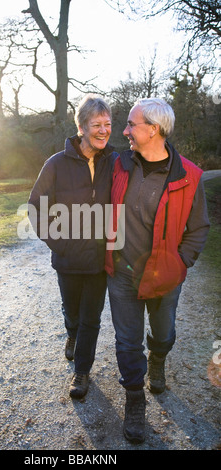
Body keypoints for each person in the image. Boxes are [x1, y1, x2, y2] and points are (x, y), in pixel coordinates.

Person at [105, 98, 210, 444]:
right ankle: (135, 399)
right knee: (126, 341)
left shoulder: (190, 176)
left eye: (131, 125)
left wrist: (180, 263)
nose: (125, 131)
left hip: (164, 277)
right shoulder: (119, 165)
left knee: (163, 335)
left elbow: (199, 228)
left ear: (153, 129)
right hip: (122, 273)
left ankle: (158, 360)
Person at [28, 94, 118, 399]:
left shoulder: (116, 162)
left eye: (108, 124)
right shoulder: (56, 163)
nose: (104, 130)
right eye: (97, 124)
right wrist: (60, 243)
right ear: (81, 127)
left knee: (91, 317)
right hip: (67, 259)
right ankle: (71, 334)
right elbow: (35, 208)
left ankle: (82, 372)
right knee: (72, 312)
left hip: (99, 261)